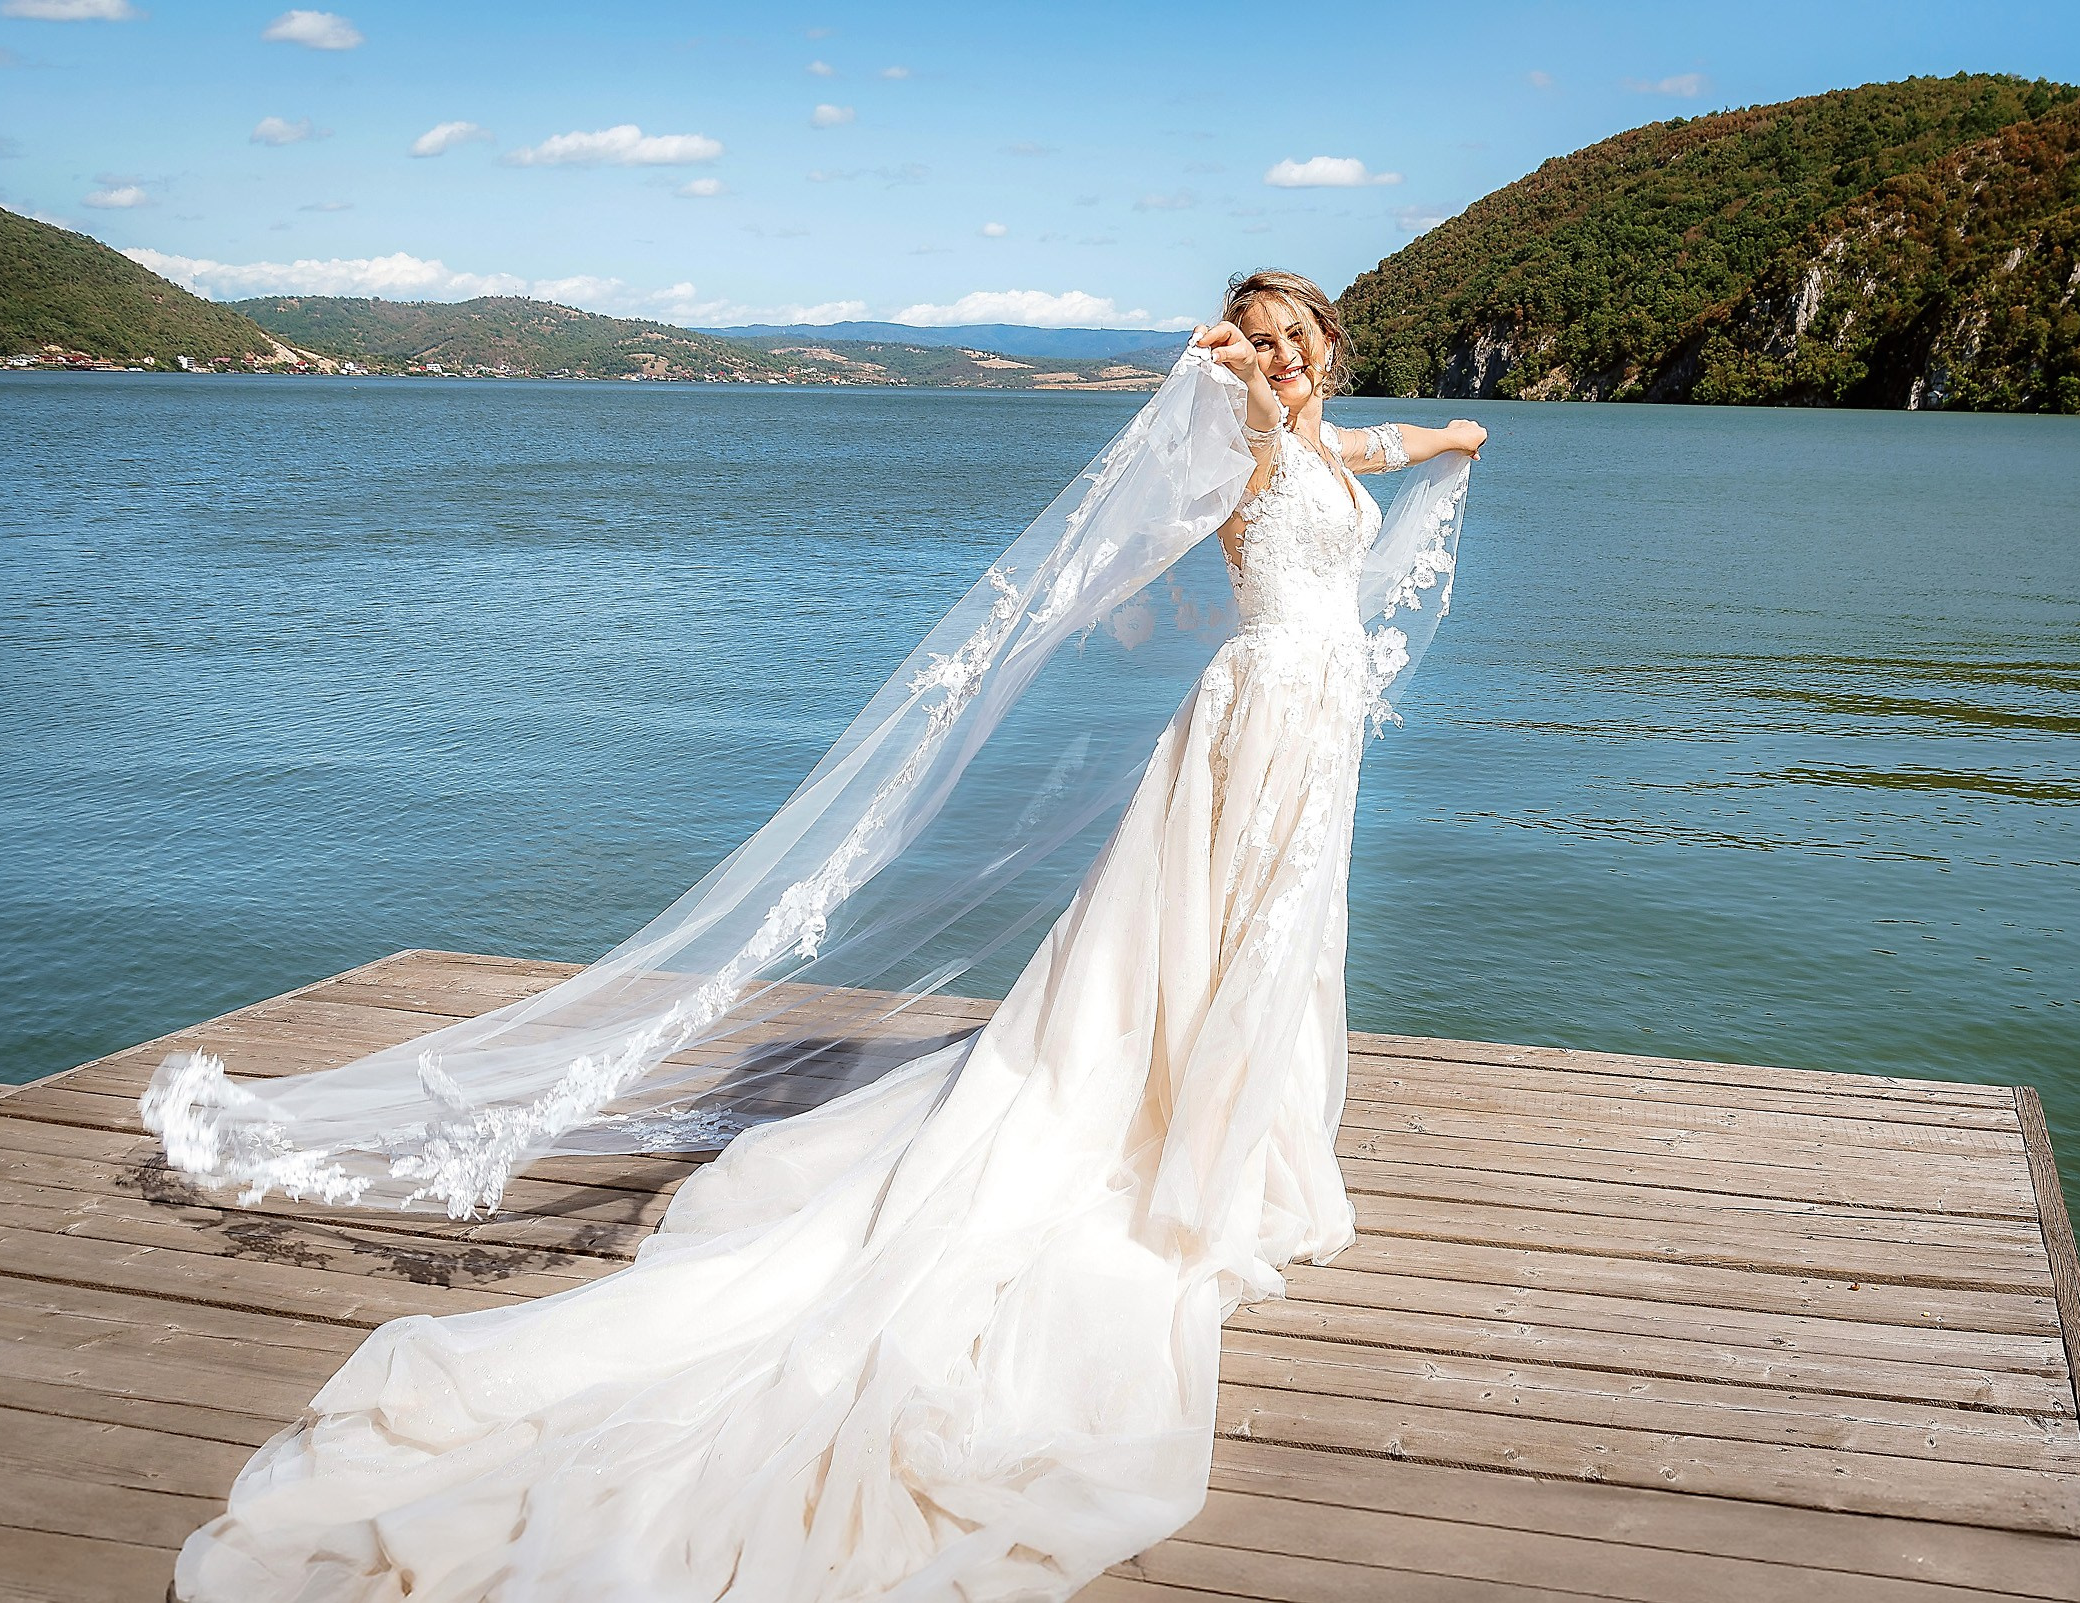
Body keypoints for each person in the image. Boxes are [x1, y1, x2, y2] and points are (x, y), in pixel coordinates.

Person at [150, 269, 1484, 1601]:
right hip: (1258, 710)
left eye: (1295, 338)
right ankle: (1188, 1141)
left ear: (1328, 344)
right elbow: (1267, 433)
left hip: (1312, 724)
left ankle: (1237, 1122)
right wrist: (1228, 372)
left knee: (1278, 930)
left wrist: (1445, 438)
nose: (1280, 357)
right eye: (1259, 340)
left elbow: (1362, 446)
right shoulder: (1246, 434)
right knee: (1224, 928)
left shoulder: (1319, 438)